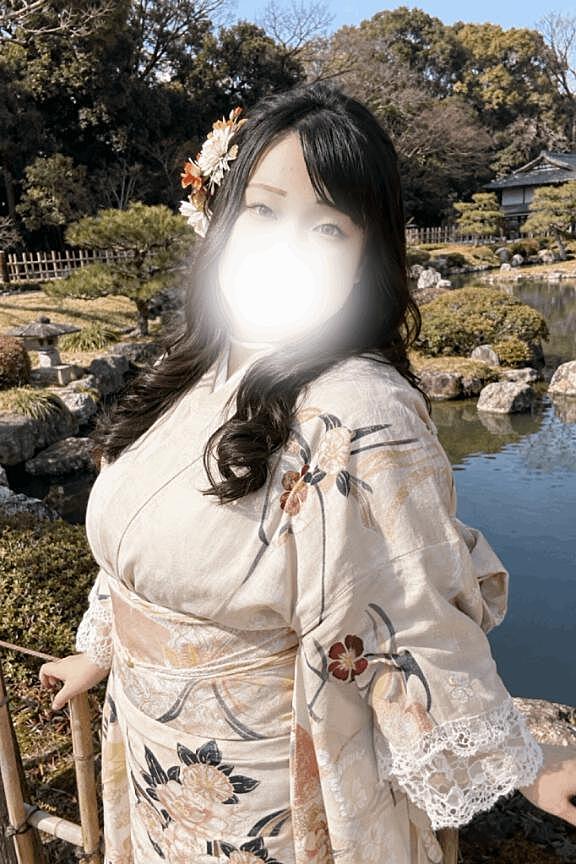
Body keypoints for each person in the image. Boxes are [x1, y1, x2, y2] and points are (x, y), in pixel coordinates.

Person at [39, 81, 576, 864]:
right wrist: (103, 649)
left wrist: (527, 762)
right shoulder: (192, 371)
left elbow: (410, 605)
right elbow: (141, 548)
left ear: (365, 258)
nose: (283, 246)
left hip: (262, 802)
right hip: (155, 765)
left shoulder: (362, 410)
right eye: (262, 210)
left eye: (326, 226)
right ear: (222, 220)